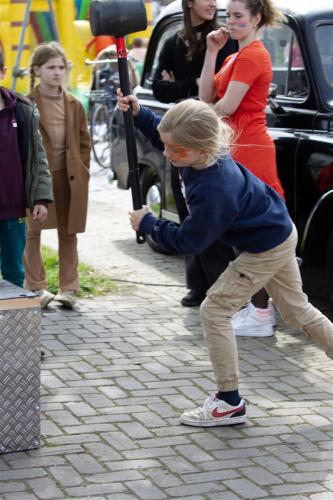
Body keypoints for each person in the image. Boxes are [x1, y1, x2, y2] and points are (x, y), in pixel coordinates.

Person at [118, 94, 333, 427]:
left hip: (266, 246)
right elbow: (168, 134)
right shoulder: (200, 153)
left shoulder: (215, 188)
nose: (167, 154)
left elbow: (190, 240)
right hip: (278, 231)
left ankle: (228, 403)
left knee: (214, 310)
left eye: (177, 151)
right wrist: (139, 113)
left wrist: (149, 224)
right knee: (295, 310)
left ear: (202, 149)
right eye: (167, 146)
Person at [199, 0, 285, 335]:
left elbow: (225, 106)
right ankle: (262, 310)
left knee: (254, 232)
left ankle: (261, 313)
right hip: (237, 147)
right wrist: (210, 52)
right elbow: (207, 96)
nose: (231, 22)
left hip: (249, 148)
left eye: (238, 17)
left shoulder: (252, 55)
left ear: (256, 18)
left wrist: (195, 121)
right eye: (228, 16)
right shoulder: (236, 55)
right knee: (250, 231)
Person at [152, 0, 237, 307]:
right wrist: (194, 83)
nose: (213, 3)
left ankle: (219, 287)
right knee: (188, 209)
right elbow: (159, 88)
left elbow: (216, 91)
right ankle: (196, 285)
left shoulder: (224, 40)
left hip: (208, 136)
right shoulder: (175, 39)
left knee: (210, 213)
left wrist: (189, 86)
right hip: (180, 136)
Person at [23, 42, 91, 309]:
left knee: (68, 232)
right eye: (51, 67)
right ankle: (36, 287)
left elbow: (84, 141)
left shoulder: (74, 104)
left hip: (69, 176)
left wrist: (81, 167)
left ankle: (68, 289)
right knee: (32, 232)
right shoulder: (26, 104)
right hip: (37, 178)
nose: (57, 72)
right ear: (37, 70)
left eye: (61, 67)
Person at [0, 50, 52, 288]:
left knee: (13, 270)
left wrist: (40, 198)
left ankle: (10, 320)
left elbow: (36, 157)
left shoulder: (21, 110)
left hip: (13, 208)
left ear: (3, 73)